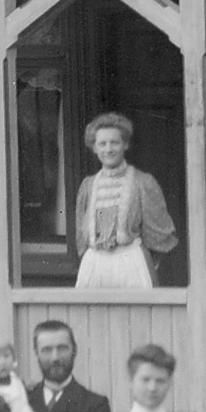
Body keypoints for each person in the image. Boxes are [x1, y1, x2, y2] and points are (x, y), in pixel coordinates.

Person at [72, 114, 179, 288]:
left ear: (125, 144)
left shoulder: (142, 182)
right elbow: (80, 232)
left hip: (131, 263)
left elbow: (158, 234)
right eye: (102, 144)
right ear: (94, 148)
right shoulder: (88, 185)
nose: (108, 149)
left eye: (114, 142)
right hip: (94, 264)